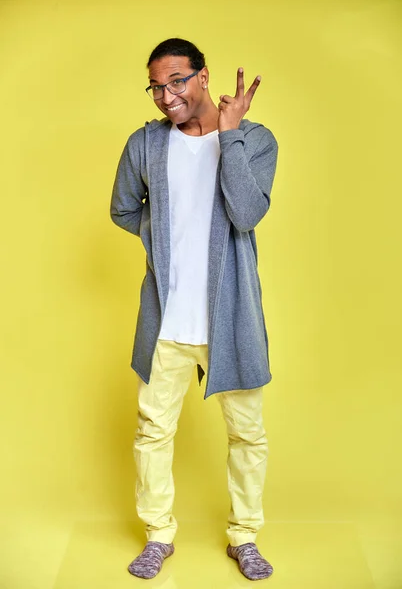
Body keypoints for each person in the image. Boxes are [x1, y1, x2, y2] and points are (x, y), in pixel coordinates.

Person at [110, 37, 279, 581]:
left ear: (203, 77)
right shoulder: (144, 144)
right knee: (152, 431)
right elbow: (121, 209)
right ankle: (158, 534)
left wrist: (229, 135)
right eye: (157, 85)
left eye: (177, 81)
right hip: (166, 319)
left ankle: (244, 536)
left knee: (247, 434)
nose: (166, 95)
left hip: (229, 319)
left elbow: (247, 213)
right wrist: (160, 235)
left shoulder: (255, 140)